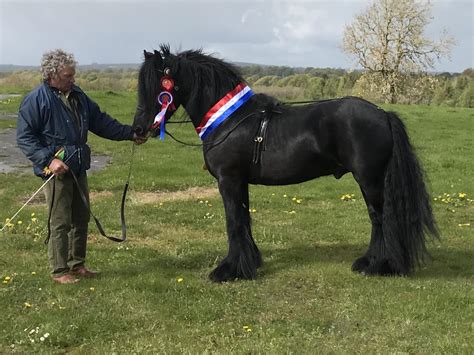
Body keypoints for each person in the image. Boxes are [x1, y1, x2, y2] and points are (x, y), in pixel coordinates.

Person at [17, 49, 146, 284]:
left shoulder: (78, 95)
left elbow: (101, 122)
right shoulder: (36, 100)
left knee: (81, 217)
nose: (73, 79)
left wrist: (130, 133)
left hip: (77, 168)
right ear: (52, 75)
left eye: (73, 75)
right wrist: (49, 160)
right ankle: (59, 271)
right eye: (68, 76)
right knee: (60, 221)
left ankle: (77, 265)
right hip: (55, 173)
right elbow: (25, 138)